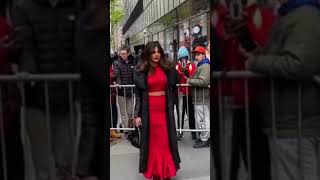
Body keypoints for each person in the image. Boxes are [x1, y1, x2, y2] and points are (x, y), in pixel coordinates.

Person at [245, 0, 320, 179]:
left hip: (295, 125)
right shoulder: (293, 14)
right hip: (290, 123)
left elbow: (298, 64)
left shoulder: (304, 16)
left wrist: (256, 63)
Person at [12, 0, 82, 179]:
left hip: (67, 97)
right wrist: (27, 72)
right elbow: (25, 45)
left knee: (65, 164)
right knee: (42, 165)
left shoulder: (75, 5)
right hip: (36, 99)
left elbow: (79, 46)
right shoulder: (23, 6)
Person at [133, 41, 181, 180]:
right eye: (153, 52)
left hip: (165, 111)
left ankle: (165, 170)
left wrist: (172, 66)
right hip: (149, 112)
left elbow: (174, 83)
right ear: (148, 53)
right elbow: (138, 95)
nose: (156, 54)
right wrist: (137, 115)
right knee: (153, 143)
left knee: (166, 141)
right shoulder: (141, 71)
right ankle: (155, 171)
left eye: (158, 51)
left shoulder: (167, 68)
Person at [187, 46, 210, 148]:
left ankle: (204, 138)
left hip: (202, 98)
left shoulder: (205, 66)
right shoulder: (201, 65)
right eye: (195, 55)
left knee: (201, 120)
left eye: (198, 54)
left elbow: (203, 81)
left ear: (204, 55)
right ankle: (204, 137)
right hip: (200, 98)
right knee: (202, 119)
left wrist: (190, 81)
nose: (196, 56)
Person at [176, 46, 196, 140]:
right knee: (180, 114)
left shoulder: (191, 65)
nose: (183, 59)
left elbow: (192, 77)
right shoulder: (176, 66)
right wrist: (179, 73)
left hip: (189, 93)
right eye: (181, 58)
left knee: (191, 114)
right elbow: (175, 78)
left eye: (185, 57)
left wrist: (186, 72)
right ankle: (180, 132)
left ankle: (193, 132)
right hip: (180, 93)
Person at [113, 46, 135, 130]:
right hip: (121, 92)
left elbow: (134, 75)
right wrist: (119, 84)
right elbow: (117, 75)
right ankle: (125, 129)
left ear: (128, 53)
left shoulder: (132, 62)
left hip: (131, 91)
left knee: (130, 112)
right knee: (123, 112)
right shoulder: (116, 63)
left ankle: (130, 128)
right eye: (121, 54)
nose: (123, 55)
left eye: (124, 53)